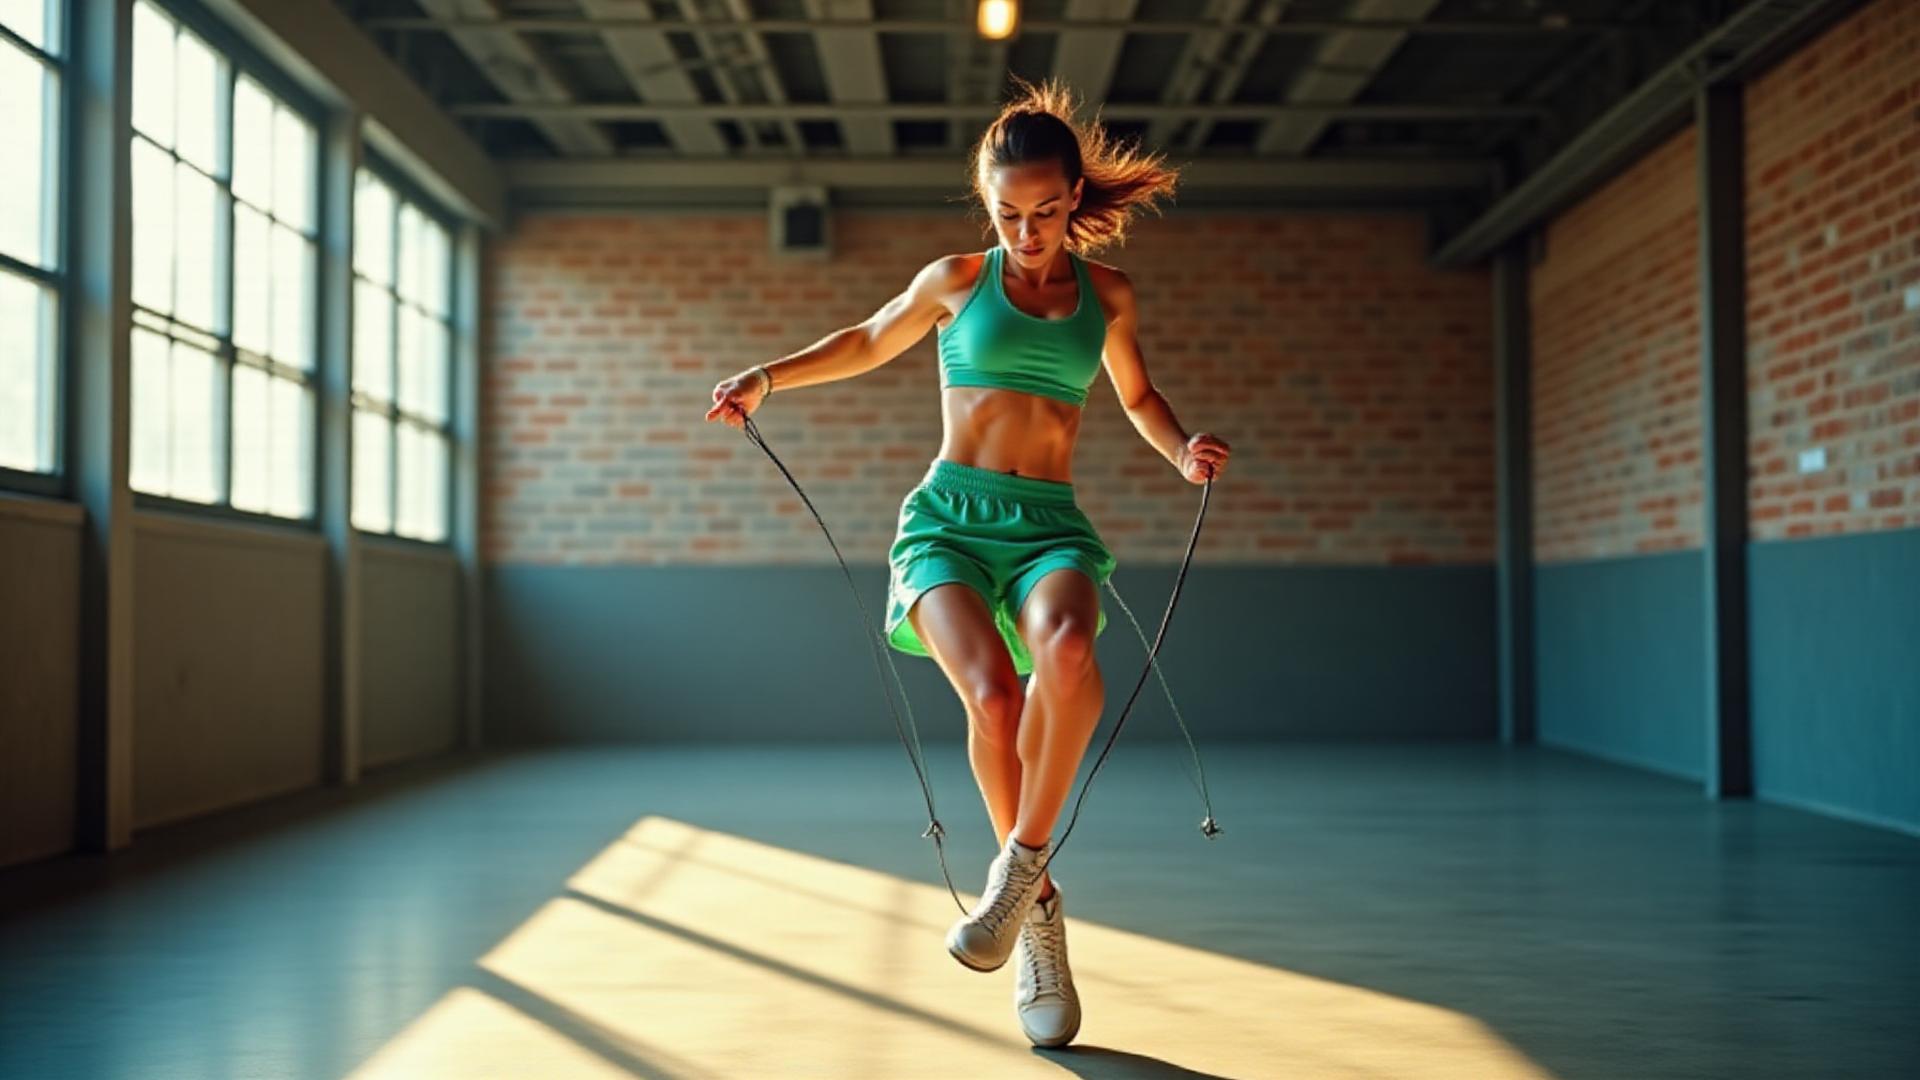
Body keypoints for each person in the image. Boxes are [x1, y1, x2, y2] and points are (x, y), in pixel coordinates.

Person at [704, 78, 1230, 1048]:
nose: (1027, 232)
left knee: (1069, 652)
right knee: (993, 699)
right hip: (947, 520)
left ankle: (1020, 875)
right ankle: (1038, 919)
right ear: (988, 207)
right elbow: (867, 340)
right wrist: (768, 376)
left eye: (1045, 211)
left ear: (1074, 197)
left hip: (1048, 524)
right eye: (1008, 214)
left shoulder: (1107, 296)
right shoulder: (957, 279)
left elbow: (1141, 397)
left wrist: (1181, 447)